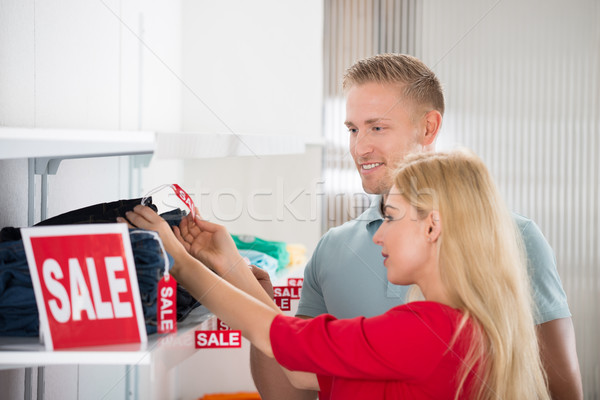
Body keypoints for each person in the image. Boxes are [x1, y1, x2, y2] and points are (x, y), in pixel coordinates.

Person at [249, 54, 582, 400]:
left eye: (377, 127)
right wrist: (258, 302)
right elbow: (291, 389)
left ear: (428, 128)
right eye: (352, 129)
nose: (359, 147)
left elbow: (561, 388)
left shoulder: (515, 238)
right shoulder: (331, 249)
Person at [123, 149, 551, 399]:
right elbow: (297, 367)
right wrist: (229, 263)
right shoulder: (466, 329)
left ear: (432, 226)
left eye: (392, 217)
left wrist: (179, 262)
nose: (379, 235)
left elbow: (283, 338)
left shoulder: (422, 332)